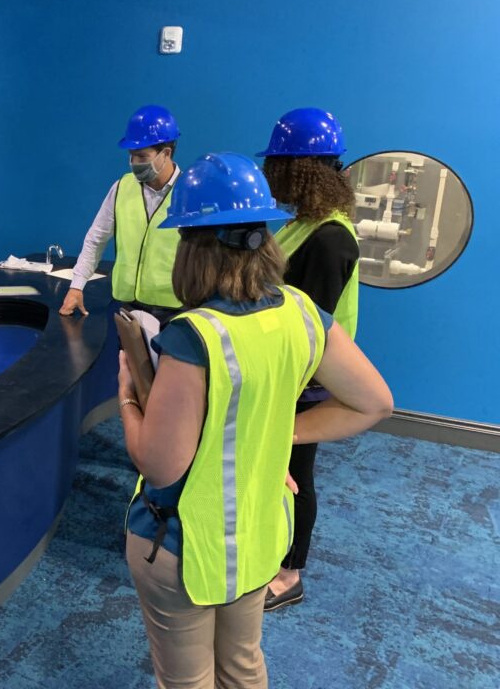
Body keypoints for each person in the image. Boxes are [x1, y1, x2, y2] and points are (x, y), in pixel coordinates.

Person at [118, 153, 391, 688]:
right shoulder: (304, 312)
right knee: (242, 663)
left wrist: (128, 395)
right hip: (262, 532)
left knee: (186, 678)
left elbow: (160, 463)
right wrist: (283, 433)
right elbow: (374, 402)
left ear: (193, 248)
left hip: (186, 544)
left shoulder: (194, 337)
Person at [257, 108, 360, 611]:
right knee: (279, 466)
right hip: (288, 375)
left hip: (305, 381)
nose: (269, 177)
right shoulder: (304, 223)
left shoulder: (330, 238)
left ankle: (290, 573)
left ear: (297, 169)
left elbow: (305, 327)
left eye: (275, 167)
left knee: (297, 471)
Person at [59, 105, 183, 325]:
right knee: (125, 361)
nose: (134, 163)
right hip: (127, 309)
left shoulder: (190, 193)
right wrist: (76, 286)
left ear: (166, 153)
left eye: (142, 156)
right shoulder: (122, 188)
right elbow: (96, 238)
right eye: (131, 156)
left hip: (174, 313)